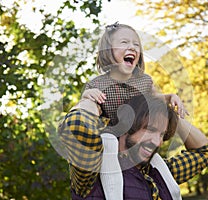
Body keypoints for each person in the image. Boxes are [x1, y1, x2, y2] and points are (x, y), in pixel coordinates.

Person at [81, 22, 189, 199]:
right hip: (115, 135)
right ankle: (114, 195)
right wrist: (89, 95)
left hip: (139, 135)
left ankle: (174, 193)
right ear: (108, 51)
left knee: (157, 162)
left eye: (136, 44)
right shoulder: (98, 84)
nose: (132, 47)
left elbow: (157, 99)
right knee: (108, 141)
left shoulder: (144, 81)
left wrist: (170, 97)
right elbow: (86, 103)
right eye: (124, 42)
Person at [58, 94, 208, 199]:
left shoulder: (159, 173)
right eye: (150, 130)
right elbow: (76, 126)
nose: (157, 142)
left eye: (162, 134)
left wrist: (171, 112)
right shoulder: (93, 171)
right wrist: (89, 102)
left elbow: (206, 152)